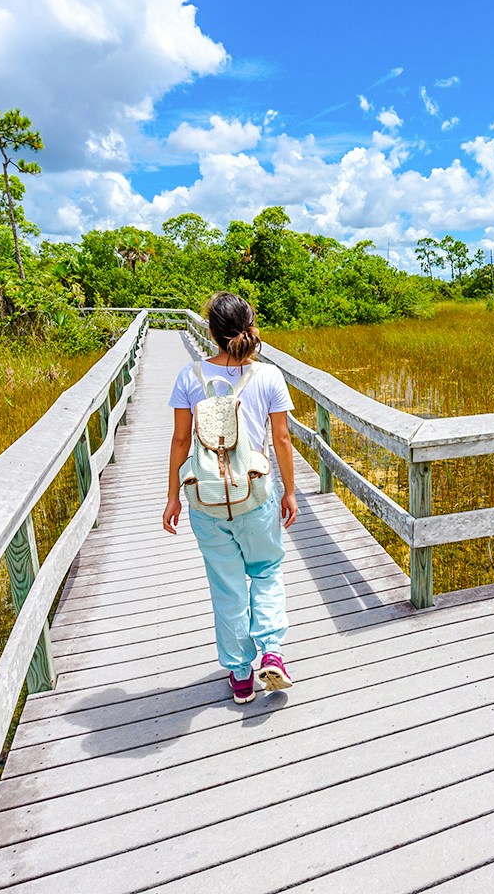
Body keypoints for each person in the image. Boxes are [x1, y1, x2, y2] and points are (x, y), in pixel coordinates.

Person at [163, 292, 299, 704]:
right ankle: (271, 652)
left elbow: (181, 441)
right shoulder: (269, 376)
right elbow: (281, 439)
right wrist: (289, 492)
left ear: (211, 332)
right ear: (251, 327)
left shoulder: (190, 376)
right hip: (255, 495)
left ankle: (241, 676)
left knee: (226, 587)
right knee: (266, 570)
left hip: (205, 499)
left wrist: (172, 497)